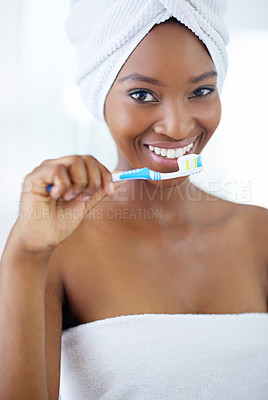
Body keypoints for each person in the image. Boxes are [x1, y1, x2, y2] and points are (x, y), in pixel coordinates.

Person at [0, 1, 268, 399]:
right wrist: (25, 253)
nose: (177, 126)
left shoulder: (260, 232)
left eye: (202, 90)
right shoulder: (54, 247)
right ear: (100, 96)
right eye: (143, 94)